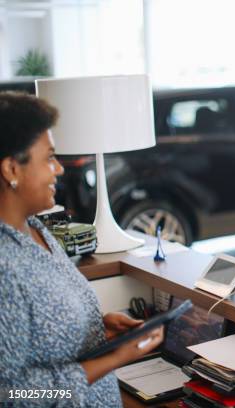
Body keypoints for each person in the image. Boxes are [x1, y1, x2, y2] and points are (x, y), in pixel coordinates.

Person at [0, 92, 164, 406]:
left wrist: (96, 327)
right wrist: (111, 360)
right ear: (11, 169)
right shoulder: (4, 266)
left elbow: (39, 324)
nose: (59, 169)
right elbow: (13, 395)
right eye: (49, 157)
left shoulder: (36, 229)